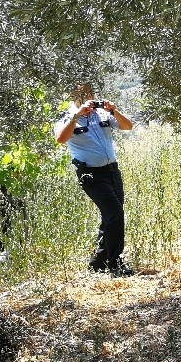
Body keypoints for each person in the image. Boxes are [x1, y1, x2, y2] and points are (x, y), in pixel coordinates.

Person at [54, 82, 135, 276]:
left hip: (112, 172)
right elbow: (60, 138)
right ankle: (115, 263)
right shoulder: (67, 117)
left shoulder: (102, 113)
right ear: (73, 95)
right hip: (90, 174)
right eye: (82, 93)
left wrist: (114, 110)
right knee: (114, 214)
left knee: (110, 216)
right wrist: (77, 115)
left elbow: (128, 126)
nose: (87, 96)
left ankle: (99, 262)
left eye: (89, 92)